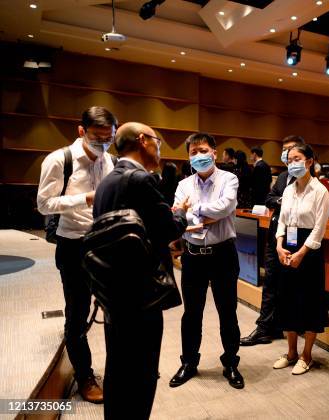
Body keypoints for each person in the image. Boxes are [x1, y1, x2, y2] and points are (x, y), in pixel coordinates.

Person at [93, 122, 187, 419]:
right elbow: (167, 229)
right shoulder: (140, 180)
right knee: (142, 373)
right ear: (143, 140)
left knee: (118, 367)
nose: (160, 147)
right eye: (157, 141)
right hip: (141, 293)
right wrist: (181, 213)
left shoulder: (108, 181)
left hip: (112, 288)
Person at [37, 106, 118, 404]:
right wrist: (84, 198)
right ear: (81, 130)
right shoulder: (60, 160)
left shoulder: (111, 160)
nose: (103, 145)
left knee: (115, 311)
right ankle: (84, 375)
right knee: (77, 314)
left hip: (107, 244)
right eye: (98, 138)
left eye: (108, 139)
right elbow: (44, 204)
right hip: (74, 246)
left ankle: (118, 369)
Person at [169, 133, 244, 389]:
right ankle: (189, 362)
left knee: (227, 312)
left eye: (203, 150)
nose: (198, 156)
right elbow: (177, 214)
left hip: (223, 253)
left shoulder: (229, 178)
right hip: (192, 257)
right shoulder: (183, 185)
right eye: (193, 152)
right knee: (191, 314)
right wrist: (196, 213)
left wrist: (194, 210)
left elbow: (225, 207)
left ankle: (231, 362)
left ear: (214, 151)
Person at [240, 135, 305, 346]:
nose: (285, 154)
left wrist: (283, 201)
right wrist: (283, 200)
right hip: (274, 236)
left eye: (290, 149)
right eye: (283, 149)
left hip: (295, 240)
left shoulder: (307, 179)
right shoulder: (284, 176)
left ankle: (282, 326)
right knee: (270, 283)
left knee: (288, 286)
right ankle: (265, 328)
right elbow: (269, 198)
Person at [273, 143, 329, 375]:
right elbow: (282, 220)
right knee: (287, 299)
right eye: (288, 160)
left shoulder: (320, 191)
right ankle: (290, 353)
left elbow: (319, 228)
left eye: (296, 158)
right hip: (288, 245)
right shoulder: (288, 189)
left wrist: (302, 253)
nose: (292, 163)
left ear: (309, 161)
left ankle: (307, 355)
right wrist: (279, 244)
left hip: (309, 250)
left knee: (308, 301)